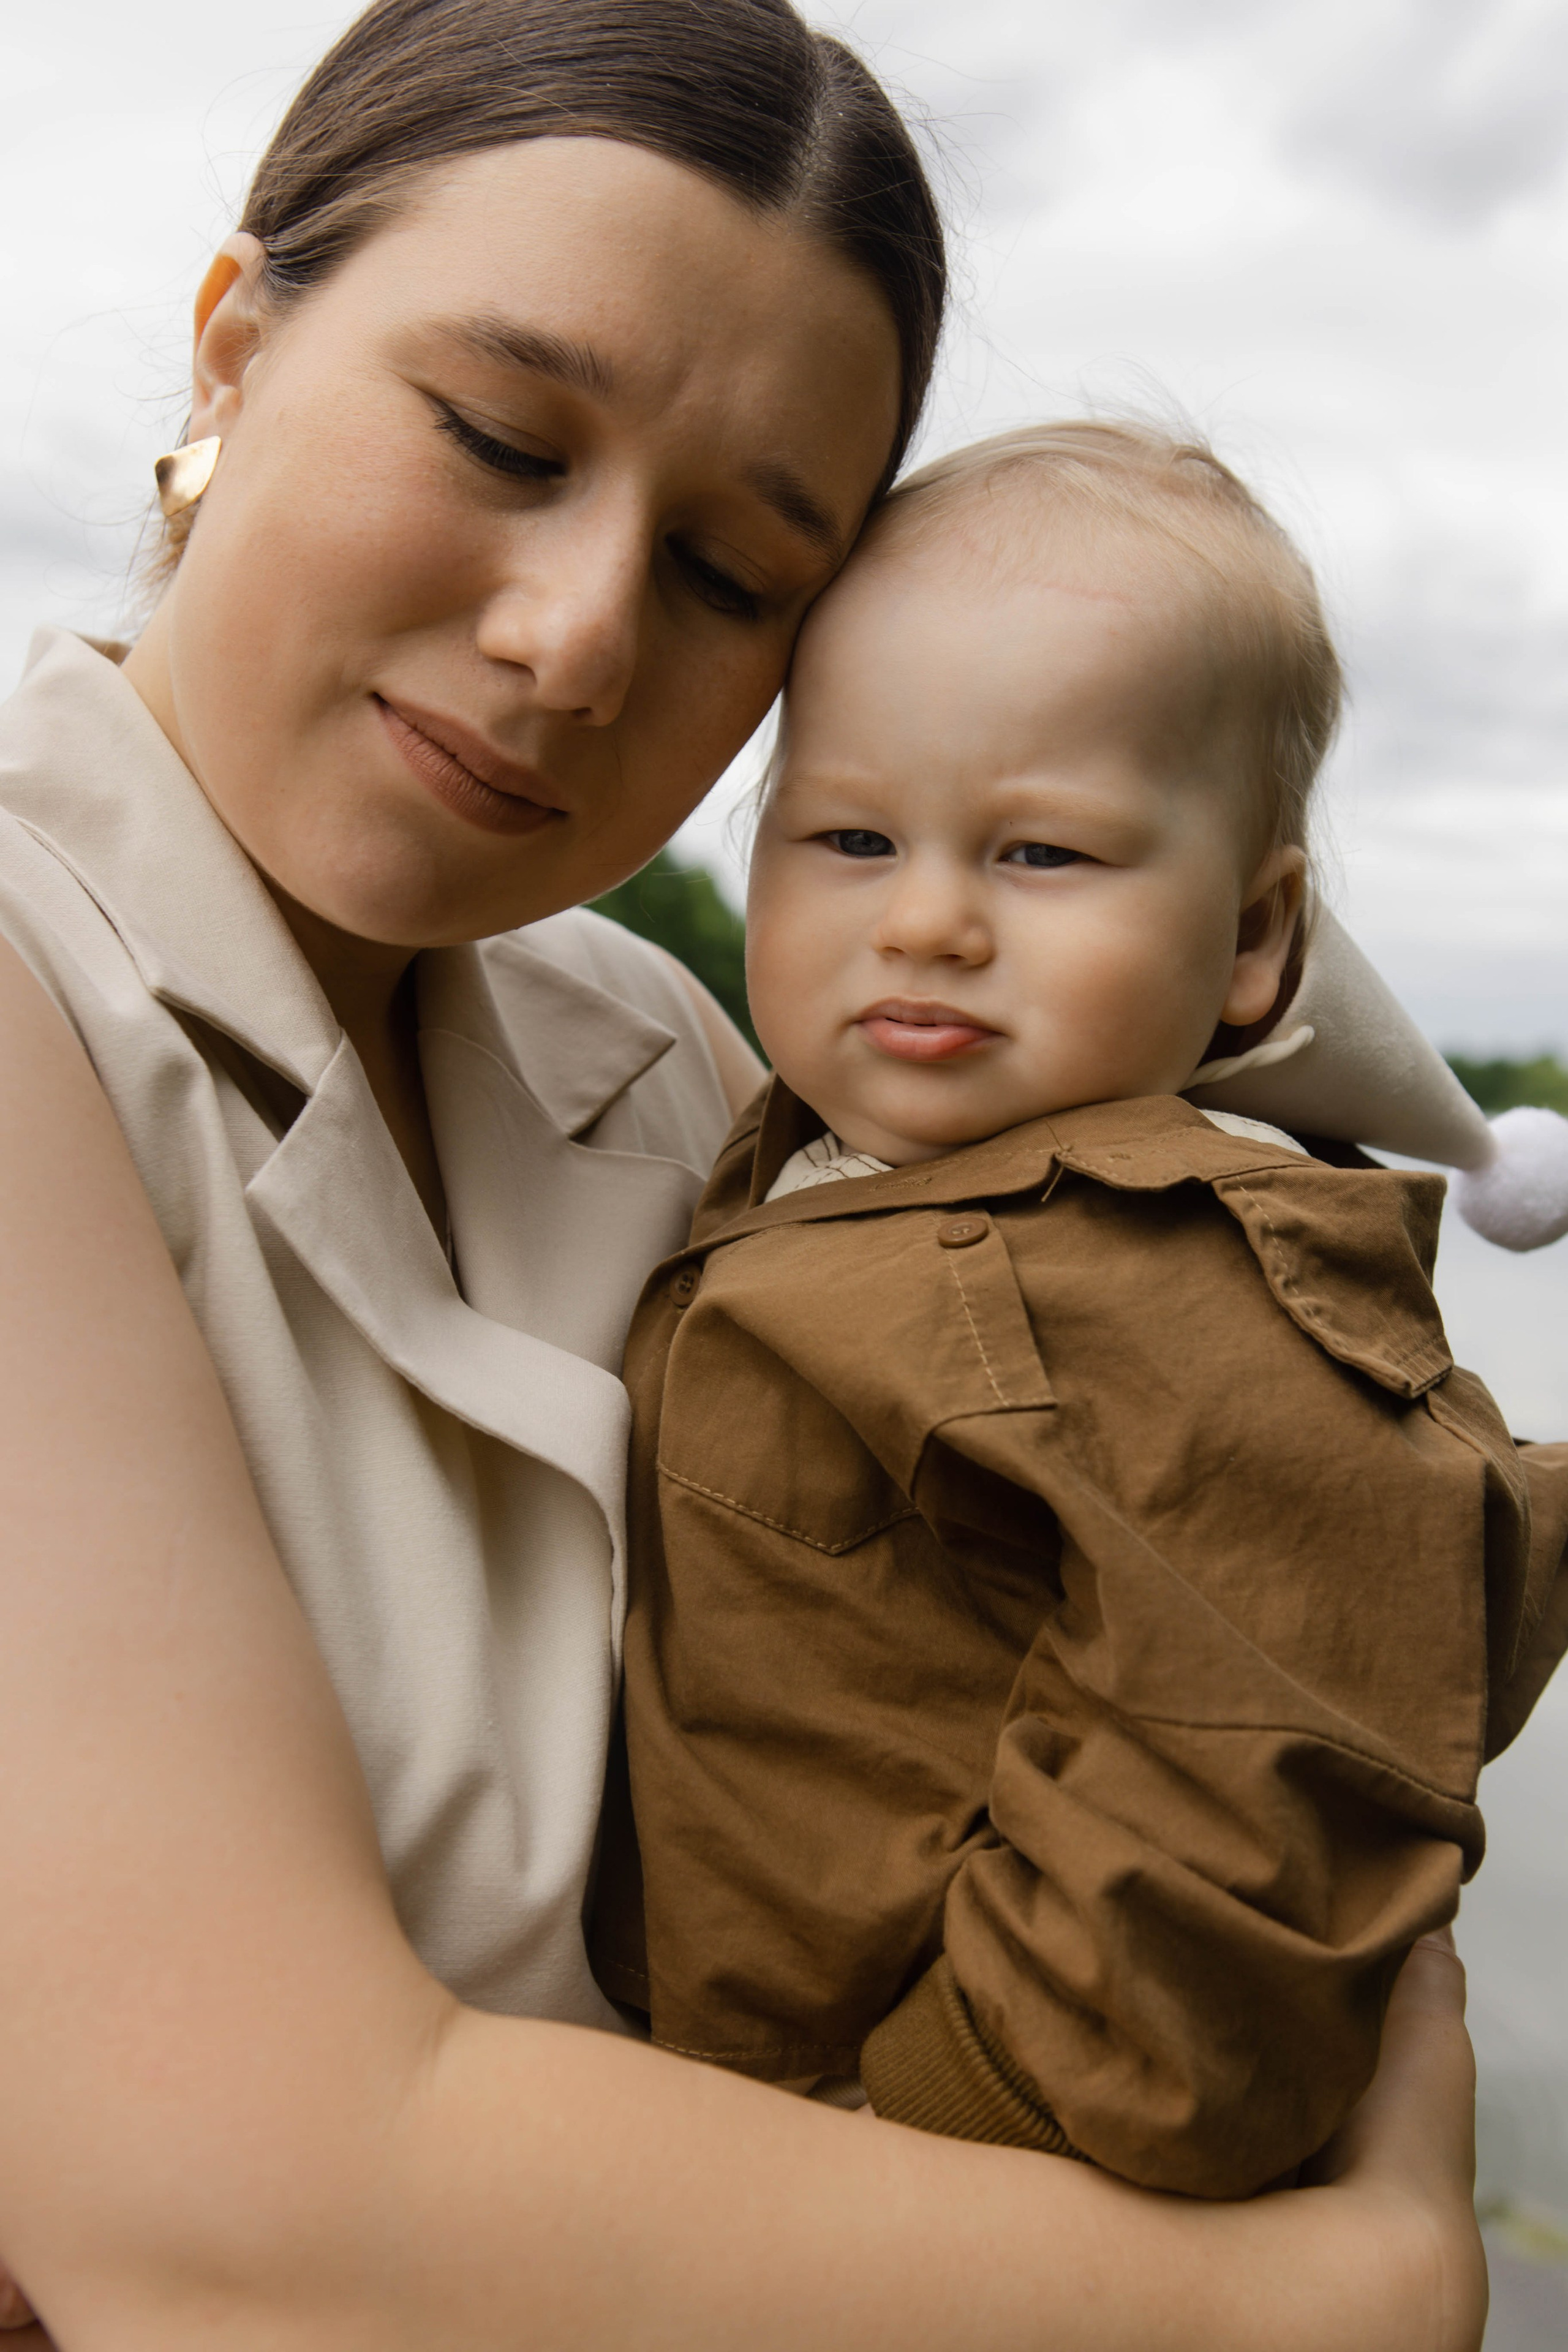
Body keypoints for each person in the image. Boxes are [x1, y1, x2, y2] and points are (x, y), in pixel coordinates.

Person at [0, 2, 1487, 2342]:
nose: (577, 635)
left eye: (732, 576)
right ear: (232, 347)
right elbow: (225, 2201)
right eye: (501, 434)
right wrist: (1325, 2299)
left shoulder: (686, 1061)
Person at [595, 421, 1568, 2198]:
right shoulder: (812, 1157)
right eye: (852, 836)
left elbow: (1259, 1794)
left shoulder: (1191, 1281)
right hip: (734, 2114)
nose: (933, 921)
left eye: (1042, 855)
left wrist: (941, 2115)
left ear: (1260, 941)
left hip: (980, 2174)